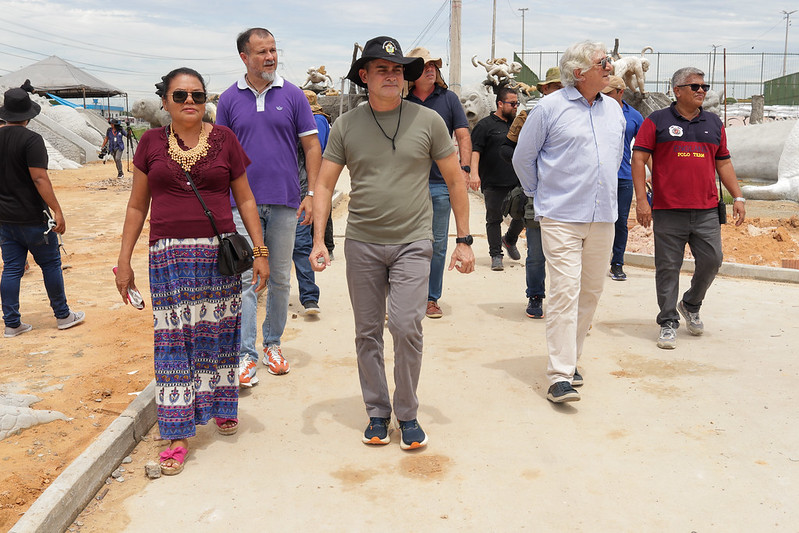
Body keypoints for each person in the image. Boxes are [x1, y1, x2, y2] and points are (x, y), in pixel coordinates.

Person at [309, 36, 475, 450]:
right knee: (367, 332)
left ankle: (408, 411)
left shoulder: (429, 121)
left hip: (413, 242)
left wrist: (464, 240)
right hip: (363, 243)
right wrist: (319, 240)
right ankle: (378, 412)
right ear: (364, 76)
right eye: (382, 68)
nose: (391, 76)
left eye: (397, 69)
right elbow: (325, 183)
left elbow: (455, 179)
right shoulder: (346, 126)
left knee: (406, 326)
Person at [115, 67, 269, 475]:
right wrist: (124, 259)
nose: (189, 103)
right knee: (173, 343)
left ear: (206, 101)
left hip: (219, 256)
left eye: (197, 96)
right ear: (164, 100)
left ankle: (222, 405)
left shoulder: (225, 140)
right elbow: (137, 205)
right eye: (180, 95)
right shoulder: (149, 143)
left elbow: (247, 200)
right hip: (167, 255)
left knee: (218, 335)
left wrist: (261, 250)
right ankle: (178, 432)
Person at [512, 41, 625, 403]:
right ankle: (560, 374)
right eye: (602, 62)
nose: (610, 66)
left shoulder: (614, 111)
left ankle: (571, 358)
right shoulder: (549, 107)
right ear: (579, 73)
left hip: (603, 216)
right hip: (560, 216)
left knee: (591, 292)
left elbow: (614, 157)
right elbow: (523, 158)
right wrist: (540, 197)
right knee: (564, 291)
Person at [216, 27, 322, 384]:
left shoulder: (293, 95)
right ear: (244, 57)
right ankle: (245, 355)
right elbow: (221, 155)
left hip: (284, 202)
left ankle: (272, 344)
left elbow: (311, 147)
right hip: (239, 206)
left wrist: (311, 193)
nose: (270, 57)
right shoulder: (229, 100)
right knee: (245, 279)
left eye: (273, 50)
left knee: (278, 278)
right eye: (262, 52)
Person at [631, 67, 745, 350]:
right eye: (695, 86)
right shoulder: (656, 121)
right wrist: (642, 201)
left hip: (706, 209)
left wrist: (738, 197)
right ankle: (668, 321)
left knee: (712, 260)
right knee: (668, 267)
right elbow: (638, 158)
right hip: (668, 209)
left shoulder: (714, 123)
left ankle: (691, 303)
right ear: (677, 90)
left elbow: (724, 163)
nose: (702, 91)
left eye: (704, 86)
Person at [0, 86, 85, 337]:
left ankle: (12, 323)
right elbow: (39, 178)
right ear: (27, 115)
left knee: (12, 268)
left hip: (5, 219)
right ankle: (62, 315)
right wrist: (57, 210)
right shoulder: (31, 139)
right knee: (50, 264)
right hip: (34, 218)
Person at [405, 47, 473, 319]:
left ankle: (431, 298)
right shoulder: (402, 101)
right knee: (406, 243)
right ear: (412, 73)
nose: (431, 69)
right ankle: (406, 296)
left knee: (438, 245)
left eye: (434, 64)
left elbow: (464, 136)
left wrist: (465, 169)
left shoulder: (449, 99)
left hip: (441, 184)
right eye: (424, 65)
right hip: (407, 186)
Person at [500, 67, 563, 318]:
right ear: (545, 89)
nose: (559, 91)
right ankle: (535, 296)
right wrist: (530, 174)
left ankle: (564, 302)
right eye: (555, 86)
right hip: (537, 194)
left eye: (563, 86)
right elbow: (508, 150)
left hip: (567, 196)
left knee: (565, 257)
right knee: (536, 254)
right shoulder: (528, 115)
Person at [471, 86, 525, 272]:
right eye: (512, 103)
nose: (515, 107)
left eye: (517, 103)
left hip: (517, 180)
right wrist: (474, 174)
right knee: (493, 219)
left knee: (523, 214)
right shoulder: (485, 125)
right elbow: (475, 150)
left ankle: (509, 239)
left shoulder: (517, 125)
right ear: (500, 103)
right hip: (493, 181)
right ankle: (496, 255)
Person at [291, 90, 331, 315]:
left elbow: (320, 151)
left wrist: (312, 193)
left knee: (302, 245)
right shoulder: (287, 124)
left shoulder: (317, 121)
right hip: (283, 193)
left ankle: (309, 297)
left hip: (303, 191)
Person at [602, 75, 644, 282]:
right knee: (596, 220)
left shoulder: (635, 116)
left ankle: (617, 263)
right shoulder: (596, 110)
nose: (605, 96)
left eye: (609, 92)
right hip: (599, 176)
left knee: (620, 221)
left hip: (623, 177)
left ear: (620, 92)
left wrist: (653, 176)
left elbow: (644, 150)